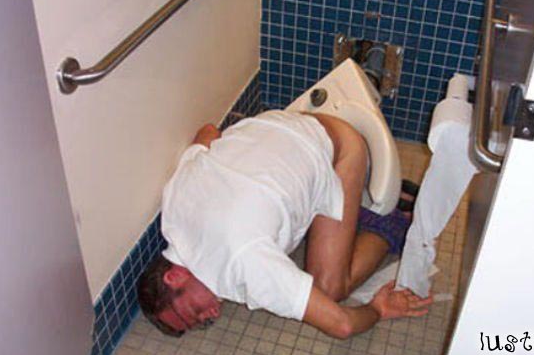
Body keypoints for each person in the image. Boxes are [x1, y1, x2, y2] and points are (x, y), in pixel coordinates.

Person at [137, 110, 432, 339]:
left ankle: (389, 222)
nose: (212, 314)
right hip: (282, 119)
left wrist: (377, 310)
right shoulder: (174, 206)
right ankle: (351, 207)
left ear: (174, 276)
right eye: (204, 322)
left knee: (329, 289)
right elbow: (208, 132)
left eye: (194, 311)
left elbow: (342, 325)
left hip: (342, 149)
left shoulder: (245, 260)